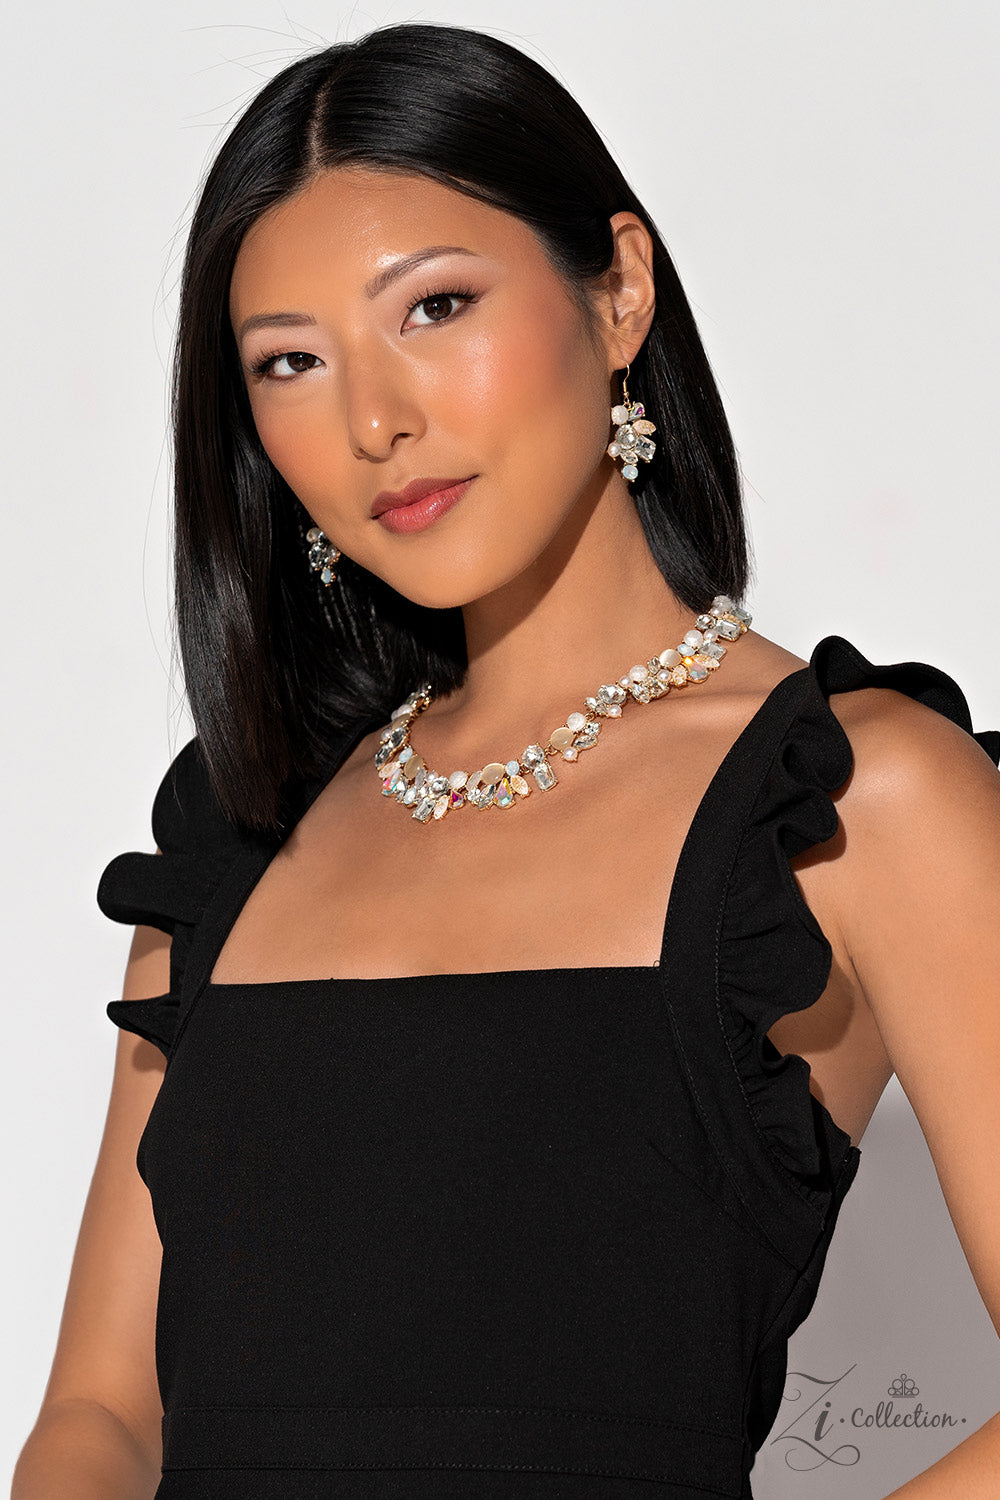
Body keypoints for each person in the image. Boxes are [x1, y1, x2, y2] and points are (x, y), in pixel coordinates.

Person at [13, 21, 1000, 1500]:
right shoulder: (236, 831)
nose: (375, 421)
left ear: (620, 291)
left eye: (437, 306)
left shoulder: (854, 800)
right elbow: (100, 1413)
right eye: (291, 362)